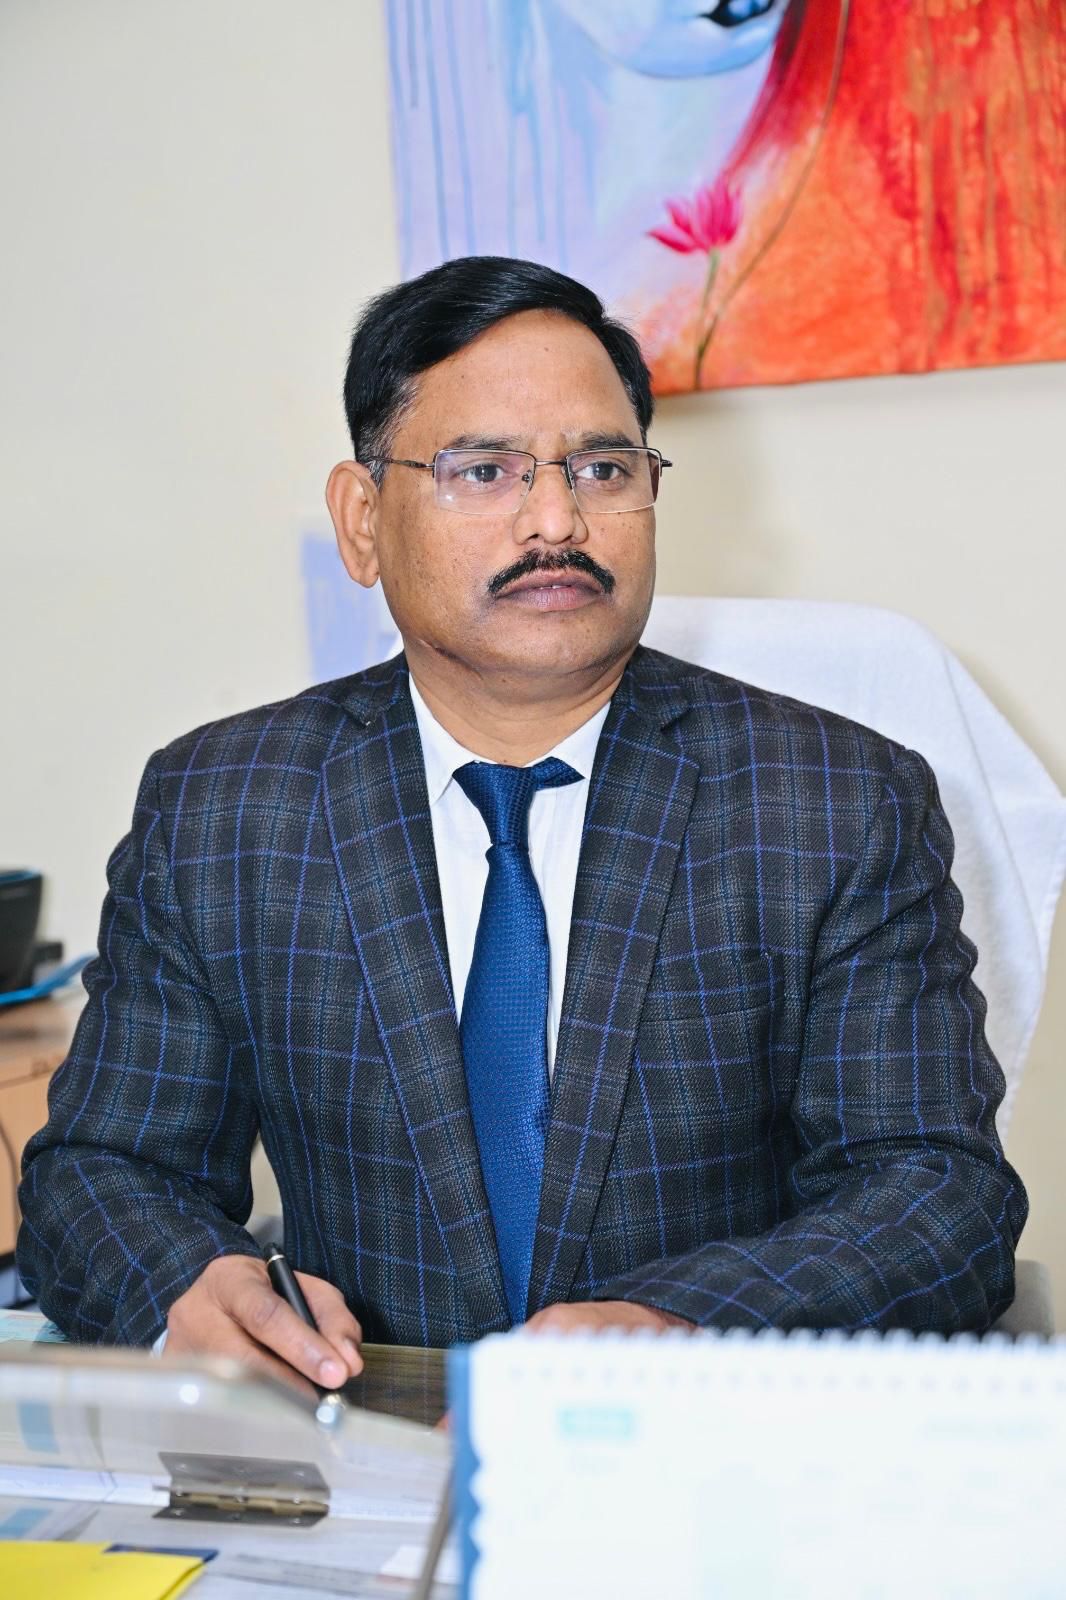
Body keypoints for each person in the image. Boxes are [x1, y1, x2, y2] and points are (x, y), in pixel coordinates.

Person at [18, 255, 1025, 1393]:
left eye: (603, 467)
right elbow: (100, 1171)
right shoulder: (225, 806)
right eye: (485, 470)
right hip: (361, 1440)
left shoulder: (833, 799)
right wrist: (188, 1289)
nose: (558, 519)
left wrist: (685, 1325)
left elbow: (938, 1194)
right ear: (362, 521)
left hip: (702, 1441)